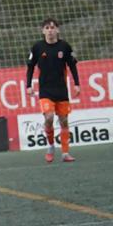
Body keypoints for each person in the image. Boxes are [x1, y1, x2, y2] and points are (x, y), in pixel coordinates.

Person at [26, 17, 80, 163]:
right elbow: (30, 67)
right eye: (47, 28)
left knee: (64, 121)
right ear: (43, 31)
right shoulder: (37, 47)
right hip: (45, 91)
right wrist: (28, 85)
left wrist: (77, 84)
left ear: (57, 30)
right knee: (49, 118)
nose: (50, 30)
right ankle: (50, 146)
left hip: (61, 90)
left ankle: (65, 153)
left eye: (52, 27)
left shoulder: (65, 46)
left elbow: (72, 65)